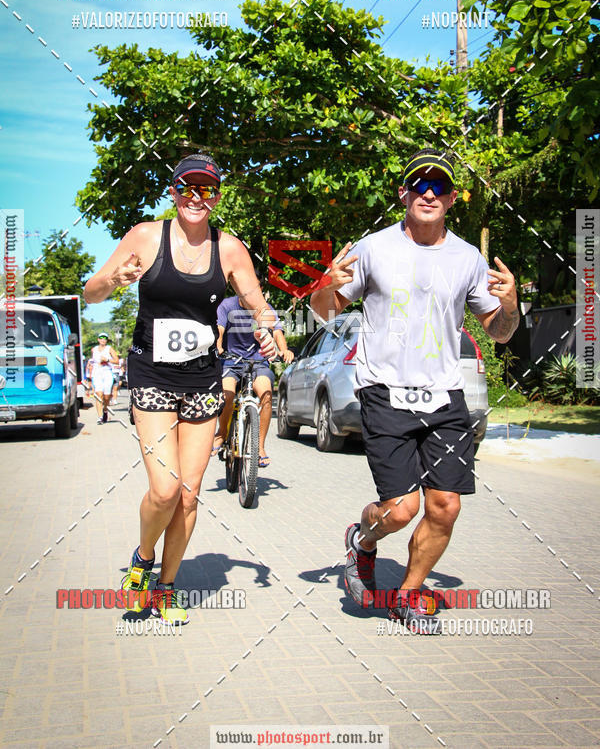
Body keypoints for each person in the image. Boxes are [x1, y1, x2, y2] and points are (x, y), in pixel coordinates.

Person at [310, 150, 519, 634]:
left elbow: (501, 332)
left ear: (451, 199)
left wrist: (511, 305)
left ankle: (409, 593)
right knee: (400, 510)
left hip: (445, 394)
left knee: (445, 505)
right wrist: (325, 284)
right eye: (419, 185)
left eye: (440, 187)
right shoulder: (373, 248)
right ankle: (362, 540)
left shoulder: (467, 257)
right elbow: (325, 311)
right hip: (384, 390)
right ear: (404, 194)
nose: (429, 193)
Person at [83, 152, 277, 624]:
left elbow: (256, 302)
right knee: (165, 490)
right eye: (187, 187)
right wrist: (115, 279)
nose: (196, 197)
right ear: (173, 191)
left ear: (216, 196)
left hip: (201, 380)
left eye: (206, 189)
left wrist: (269, 328)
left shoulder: (229, 248)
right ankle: (143, 559)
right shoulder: (147, 236)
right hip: (152, 376)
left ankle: (166, 589)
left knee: (189, 495)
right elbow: (90, 292)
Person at [213, 293, 294, 466]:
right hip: (231, 361)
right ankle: (221, 434)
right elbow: (219, 329)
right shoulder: (227, 305)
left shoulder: (265, 308)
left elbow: (277, 331)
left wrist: (283, 350)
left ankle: (260, 448)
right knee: (227, 395)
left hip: (258, 362)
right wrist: (218, 347)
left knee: (265, 394)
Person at [88, 333, 119, 424]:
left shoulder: (109, 349)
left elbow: (116, 361)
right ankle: (100, 417)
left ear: (107, 340)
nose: (103, 340)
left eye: (105, 338)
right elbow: (92, 362)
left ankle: (105, 409)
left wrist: (107, 360)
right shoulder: (93, 349)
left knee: (106, 395)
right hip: (97, 372)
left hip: (107, 372)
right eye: (101, 338)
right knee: (99, 394)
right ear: (98, 339)